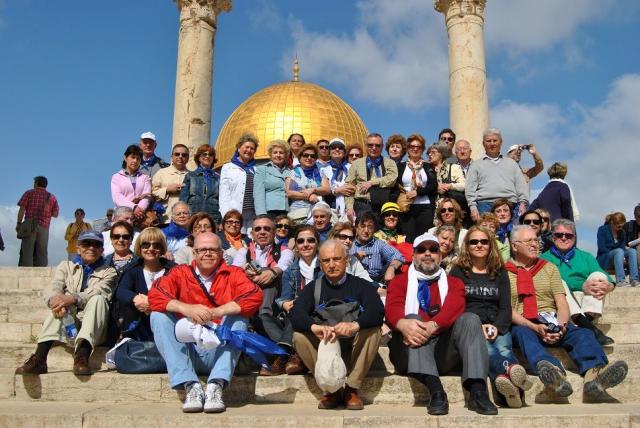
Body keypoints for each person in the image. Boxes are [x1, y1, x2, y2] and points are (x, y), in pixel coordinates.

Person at [507, 225, 628, 401]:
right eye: (529, 241)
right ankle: (555, 374)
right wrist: (534, 326)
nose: (535, 244)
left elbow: (562, 302)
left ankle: (594, 376)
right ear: (514, 245)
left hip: (553, 320)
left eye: (536, 240)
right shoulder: (503, 272)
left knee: (583, 333)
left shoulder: (548, 268)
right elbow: (507, 310)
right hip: (525, 322)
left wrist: (561, 325)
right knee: (523, 334)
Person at [148, 232, 263, 413]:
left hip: (218, 350)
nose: (207, 253)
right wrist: (186, 308)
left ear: (221, 253)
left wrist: (217, 312)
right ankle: (190, 385)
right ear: (194, 253)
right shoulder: (180, 273)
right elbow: (155, 295)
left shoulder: (234, 273)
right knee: (158, 316)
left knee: (239, 318)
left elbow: (254, 296)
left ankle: (216, 385)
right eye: (202, 249)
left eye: (213, 249)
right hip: (187, 351)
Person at [385, 232, 497, 416]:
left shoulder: (454, 282)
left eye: (433, 250)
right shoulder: (399, 281)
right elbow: (392, 309)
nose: (428, 253)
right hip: (407, 351)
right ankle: (436, 391)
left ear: (441, 255)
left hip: (441, 351)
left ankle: (478, 391)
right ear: (414, 256)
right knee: (413, 319)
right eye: (422, 250)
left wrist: (433, 326)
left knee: (470, 319)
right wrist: (404, 324)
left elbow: (455, 307)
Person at [290, 240, 385, 410]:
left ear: (347, 260)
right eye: (326, 261)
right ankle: (330, 389)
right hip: (326, 348)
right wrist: (315, 327)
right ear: (321, 263)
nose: (332, 265)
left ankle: (351, 389)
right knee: (299, 336)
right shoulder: (313, 288)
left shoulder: (361, 285)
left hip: (353, 349)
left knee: (373, 330)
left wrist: (354, 325)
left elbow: (377, 312)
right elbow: (296, 314)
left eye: (337, 259)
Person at [450, 226, 532, 408]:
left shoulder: (500, 272)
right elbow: (455, 306)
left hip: (497, 323)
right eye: (474, 242)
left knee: (504, 350)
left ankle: (512, 391)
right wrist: (479, 327)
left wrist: (496, 326)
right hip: (472, 326)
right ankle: (512, 378)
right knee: (488, 351)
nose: (479, 245)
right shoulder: (457, 272)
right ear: (467, 246)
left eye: (484, 241)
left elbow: (505, 307)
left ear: (490, 245)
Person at [16, 231, 117, 375]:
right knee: (58, 302)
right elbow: (54, 285)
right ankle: (39, 358)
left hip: (96, 327)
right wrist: (55, 300)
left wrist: (72, 298)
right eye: (86, 244)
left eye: (96, 245)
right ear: (78, 248)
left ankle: (82, 355)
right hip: (71, 323)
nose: (91, 248)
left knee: (98, 299)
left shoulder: (109, 272)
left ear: (101, 250)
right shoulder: (66, 266)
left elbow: (100, 291)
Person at [541, 219, 616, 346]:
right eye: (559, 235)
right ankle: (587, 326)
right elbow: (554, 280)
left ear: (574, 238)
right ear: (553, 237)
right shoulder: (544, 259)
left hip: (587, 299)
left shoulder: (585, 256)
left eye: (568, 235)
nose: (564, 238)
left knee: (598, 275)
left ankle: (585, 322)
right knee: (558, 282)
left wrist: (610, 285)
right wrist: (581, 285)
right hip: (562, 300)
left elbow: (604, 274)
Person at [232, 216, 294, 356]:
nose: (262, 232)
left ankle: (263, 315)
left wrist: (272, 272)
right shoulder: (243, 251)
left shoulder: (285, 251)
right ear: (252, 233)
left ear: (274, 232)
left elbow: (282, 267)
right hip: (248, 297)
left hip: (275, 301)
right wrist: (248, 275)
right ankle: (286, 351)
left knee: (267, 271)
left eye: (267, 229)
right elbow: (234, 273)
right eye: (258, 229)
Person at [268, 226, 323, 376]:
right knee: (296, 309)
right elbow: (284, 297)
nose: (305, 244)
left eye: (310, 240)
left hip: (321, 312)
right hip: (296, 313)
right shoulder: (289, 271)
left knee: (299, 309)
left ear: (317, 243)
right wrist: (285, 303)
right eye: (301, 241)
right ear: (296, 246)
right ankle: (297, 358)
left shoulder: (325, 266)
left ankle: (283, 354)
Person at [114, 227, 175, 341]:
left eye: (156, 245)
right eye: (146, 245)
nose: (151, 249)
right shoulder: (132, 269)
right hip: (140, 326)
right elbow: (121, 290)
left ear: (162, 248)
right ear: (140, 247)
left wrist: (151, 303)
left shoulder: (173, 270)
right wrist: (136, 298)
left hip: (168, 324)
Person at [465, 128, 528, 222]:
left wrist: (523, 203)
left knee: (513, 235)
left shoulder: (512, 164)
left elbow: (521, 185)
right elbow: (470, 189)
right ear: (483, 144)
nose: (492, 143)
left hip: (510, 204)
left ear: (501, 142)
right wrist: (473, 207)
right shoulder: (475, 165)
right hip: (485, 205)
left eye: (495, 140)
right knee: (487, 235)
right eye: (488, 141)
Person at [345, 133, 399, 219]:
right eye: (370, 145)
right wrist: (349, 207)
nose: (374, 148)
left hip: (383, 206)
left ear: (382, 146)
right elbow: (349, 187)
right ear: (366, 146)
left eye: (377, 145)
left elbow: (392, 179)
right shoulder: (356, 164)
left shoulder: (389, 163)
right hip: (362, 205)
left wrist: (371, 182)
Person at [397, 134, 438, 242]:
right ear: (407, 148)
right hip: (406, 208)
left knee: (424, 240)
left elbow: (433, 185)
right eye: (412, 146)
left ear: (423, 149)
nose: (415, 149)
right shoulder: (400, 166)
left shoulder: (428, 166)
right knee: (408, 240)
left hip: (424, 207)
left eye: (418, 147)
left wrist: (418, 192)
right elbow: (395, 186)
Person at [16, 176, 60, 267]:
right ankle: (41, 274)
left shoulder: (29, 193)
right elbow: (55, 214)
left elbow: (22, 209)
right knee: (42, 252)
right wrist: (47, 213)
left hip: (29, 224)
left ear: (36, 183)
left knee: (27, 250)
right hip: (44, 226)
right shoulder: (52, 197)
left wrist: (18, 223)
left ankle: (26, 274)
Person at [350, 212, 405, 283]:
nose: (366, 230)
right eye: (363, 226)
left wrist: (392, 267)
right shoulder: (349, 244)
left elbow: (398, 256)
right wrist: (353, 258)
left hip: (376, 281)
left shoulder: (379, 244)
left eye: (370, 227)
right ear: (356, 228)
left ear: (374, 229)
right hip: (355, 281)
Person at [219, 133, 258, 232]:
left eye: (252, 148)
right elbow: (224, 194)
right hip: (234, 217)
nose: (249, 150)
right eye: (246, 147)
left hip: (252, 216)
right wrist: (226, 217)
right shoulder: (228, 167)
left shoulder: (256, 169)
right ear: (239, 148)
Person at [285, 144, 330, 224]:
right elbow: (288, 193)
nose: (309, 158)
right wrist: (308, 196)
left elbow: (327, 189)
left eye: (312, 156)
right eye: (306, 155)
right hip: (298, 213)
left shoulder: (320, 172)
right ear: (300, 158)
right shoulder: (293, 173)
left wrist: (313, 189)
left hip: (318, 214)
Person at [179, 144, 221, 225]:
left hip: (213, 219)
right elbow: (183, 199)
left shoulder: (217, 178)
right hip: (193, 217)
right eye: (204, 154)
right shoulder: (190, 176)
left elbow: (221, 200)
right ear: (199, 157)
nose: (207, 156)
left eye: (210, 154)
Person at [597, 212, 639, 287]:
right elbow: (601, 248)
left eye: (622, 227)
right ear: (612, 223)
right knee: (619, 251)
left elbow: (622, 247)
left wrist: (623, 255)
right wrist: (618, 253)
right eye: (618, 227)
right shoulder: (602, 230)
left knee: (632, 251)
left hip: (619, 257)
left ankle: (634, 279)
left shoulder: (622, 232)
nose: (620, 229)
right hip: (605, 258)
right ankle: (621, 281)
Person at [111, 145, 152, 221]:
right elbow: (117, 197)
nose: (135, 161)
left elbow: (147, 196)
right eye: (133, 157)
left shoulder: (146, 178)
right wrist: (134, 207)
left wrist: (140, 209)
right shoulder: (116, 177)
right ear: (125, 158)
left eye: (138, 159)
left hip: (140, 218)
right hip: (121, 217)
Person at [253, 140, 291, 218]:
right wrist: (261, 215)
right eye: (275, 152)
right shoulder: (262, 169)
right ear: (270, 154)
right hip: (269, 212)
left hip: (287, 211)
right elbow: (258, 194)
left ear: (286, 155)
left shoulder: (290, 171)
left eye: (281, 153)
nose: (278, 155)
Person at [152, 144, 190, 221]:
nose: (180, 156)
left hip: (186, 221)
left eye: (184, 155)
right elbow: (152, 194)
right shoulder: (161, 173)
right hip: (166, 219)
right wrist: (167, 190)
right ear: (171, 157)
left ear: (188, 158)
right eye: (177, 154)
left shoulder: (192, 176)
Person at [320, 138, 355, 219]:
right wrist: (337, 190)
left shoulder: (352, 168)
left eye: (340, 147)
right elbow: (325, 189)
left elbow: (354, 186)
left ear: (344, 152)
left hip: (349, 207)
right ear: (329, 151)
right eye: (333, 147)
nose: (337, 149)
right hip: (330, 207)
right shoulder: (323, 169)